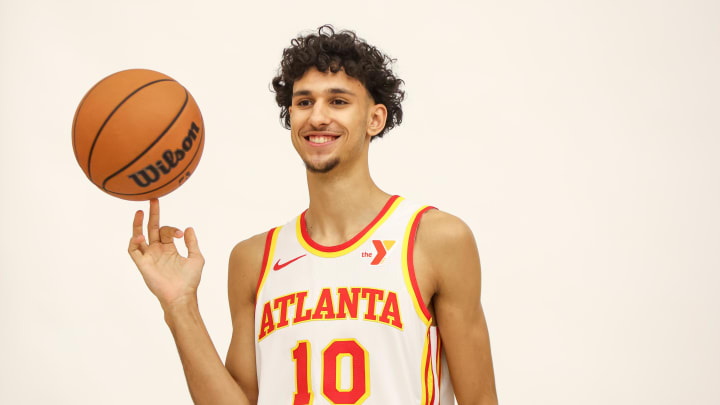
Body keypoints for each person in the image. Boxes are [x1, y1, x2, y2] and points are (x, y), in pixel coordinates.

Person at [128, 25, 497, 405]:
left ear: (375, 118)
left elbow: (481, 399)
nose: (317, 117)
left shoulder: (434, 239)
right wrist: (179, 305)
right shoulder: (254, 259)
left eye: (338, 101)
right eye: (304, 103)